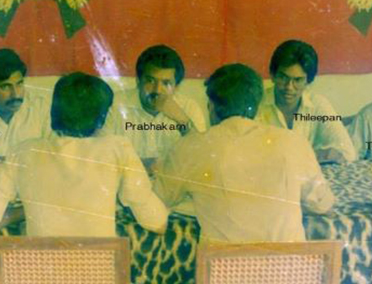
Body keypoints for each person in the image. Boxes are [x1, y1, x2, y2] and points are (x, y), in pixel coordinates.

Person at [0, 72, 168, 284]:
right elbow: (158, 223)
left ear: (53, 112)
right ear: (102, 118)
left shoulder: (24, 151)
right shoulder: (118, 148)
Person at [154, 63, 335, 243]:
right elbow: (323, 204)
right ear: (256, 106)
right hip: (291, 269)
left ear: (211, 106)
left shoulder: (190, 147)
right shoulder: (293, 141)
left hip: (222, 270)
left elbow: (158, 201)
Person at [103, 45, 206, 169]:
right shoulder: (114, 105)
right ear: (138, 80)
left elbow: (202, 159)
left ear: (176, 87)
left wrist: (183, 122)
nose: (157, 90)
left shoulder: (189, 108)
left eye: (166, 83)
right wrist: (140, 165)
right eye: (150, 81)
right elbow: (102, 157)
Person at [257, 40, 356, 164]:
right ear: (273, 75)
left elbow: (348, 152)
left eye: (297, 80)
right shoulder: (257, 104)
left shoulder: (317, 104)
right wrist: (312, 155)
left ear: (308, 81)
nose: (289, 87)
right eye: (283, 77)